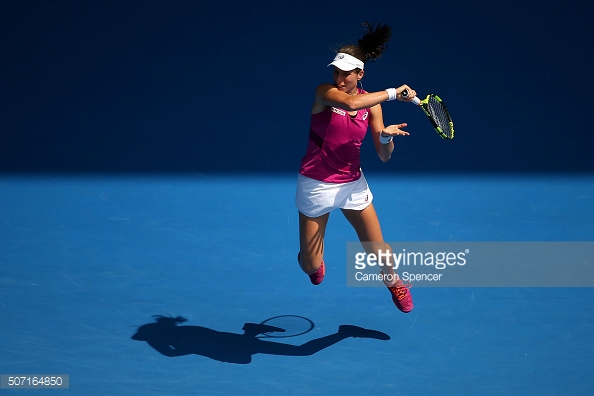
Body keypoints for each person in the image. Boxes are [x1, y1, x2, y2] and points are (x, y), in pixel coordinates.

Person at [295, 22, 416, 313]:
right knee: (309, 264)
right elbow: (350, 104)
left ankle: (395, 282)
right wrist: (393, 92)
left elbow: (383, 155)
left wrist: (385, 135)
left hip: (352, 183)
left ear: (360, 74)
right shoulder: (325, 92)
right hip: (316, 183)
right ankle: (314, 261)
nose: (339, 78)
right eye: (336, 72)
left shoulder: (373, 106)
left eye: (346, 74)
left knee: (378, 248)